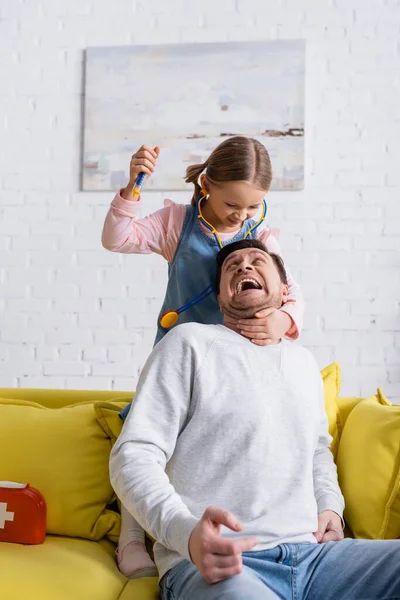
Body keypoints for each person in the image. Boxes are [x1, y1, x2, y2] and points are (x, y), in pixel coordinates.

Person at [110, 239, 400, 600]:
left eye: (257, 260)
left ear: (284, 291)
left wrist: (330, 507)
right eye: (232, 266)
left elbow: (317, 450)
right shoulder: (188, 343)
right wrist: (185, 534)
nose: (244, 266)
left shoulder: (303, 362)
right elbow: (134, 454)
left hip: (313, 557)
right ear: (219, 298)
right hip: (216, 563)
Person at [102, 136, 305, 577]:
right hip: (181, 356)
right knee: (147, 434)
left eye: (253, 207)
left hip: (236, 362)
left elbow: (293, 292)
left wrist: (284, 321)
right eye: (234, 204)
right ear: (208, 184)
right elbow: (118, 239)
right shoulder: (178, 222)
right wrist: (133, 189)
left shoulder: (261, 238)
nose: (242, 215)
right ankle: (132, 539)